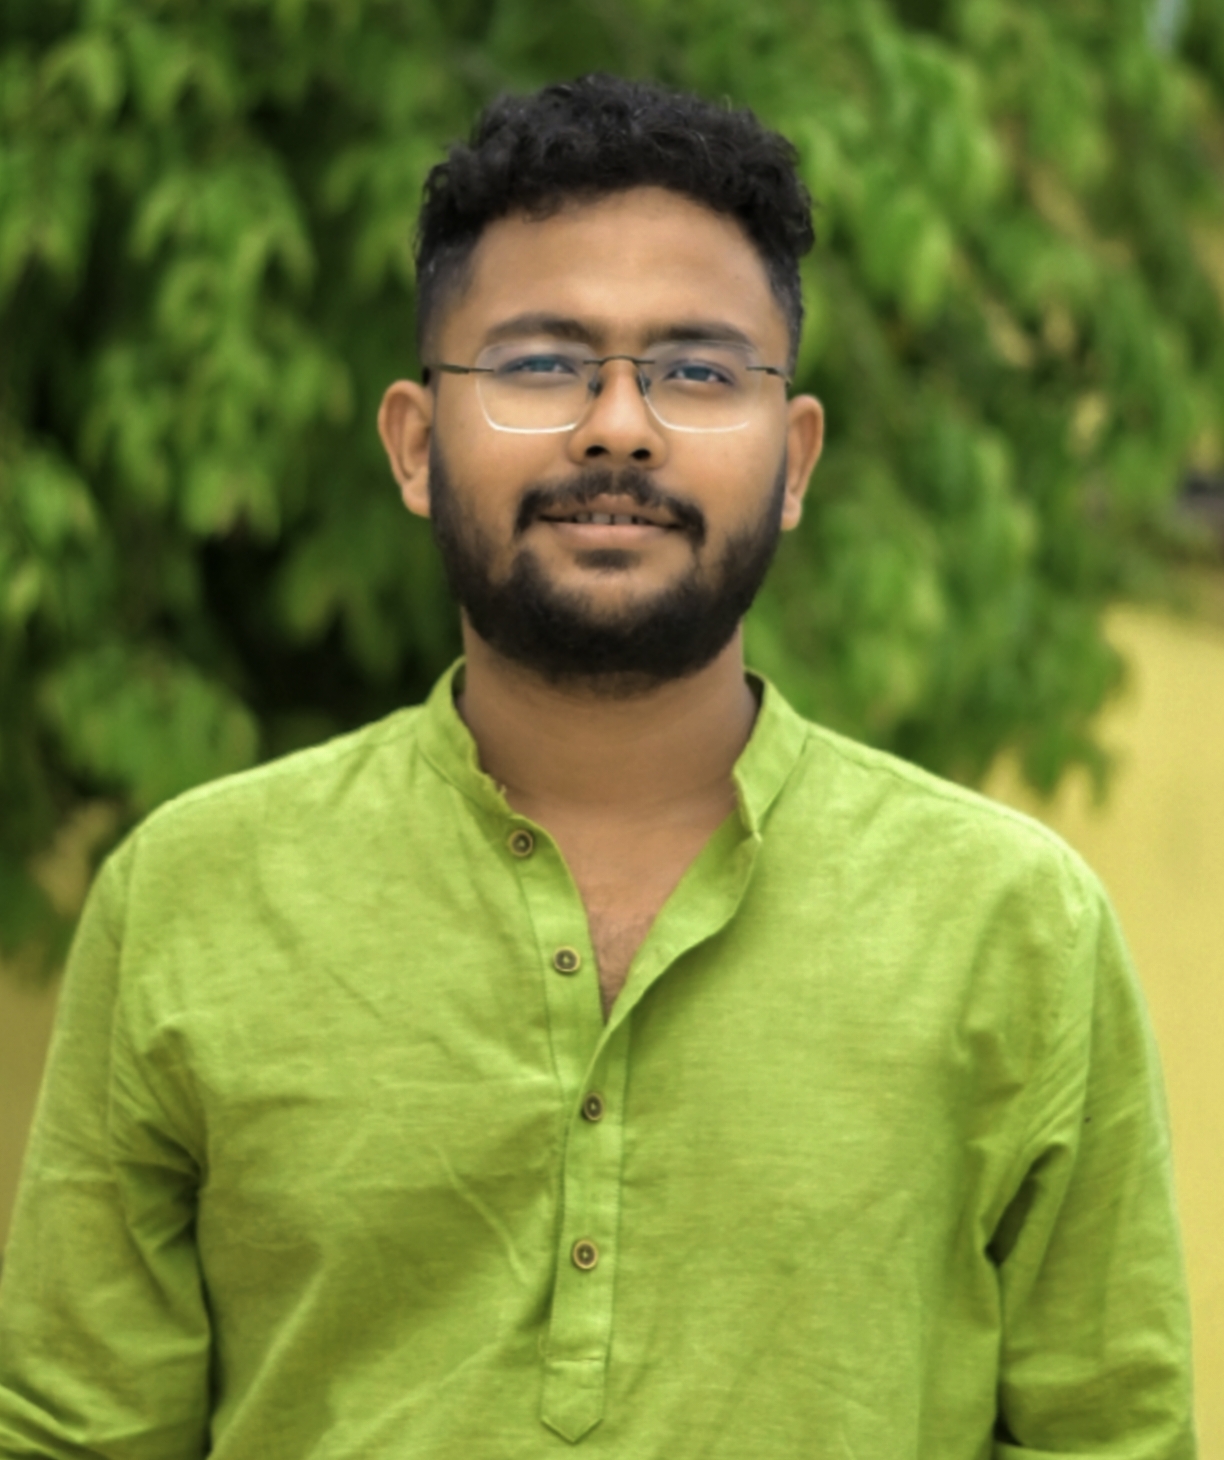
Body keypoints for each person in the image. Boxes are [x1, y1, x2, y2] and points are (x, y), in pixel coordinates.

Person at [0, 74, 1196, 1459]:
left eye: (698, 371)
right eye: (540, 364)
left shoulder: (1015, 925)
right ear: (414, 445)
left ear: (795, 461)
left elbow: (1112, 1436)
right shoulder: (191, 896)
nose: (618, 426)